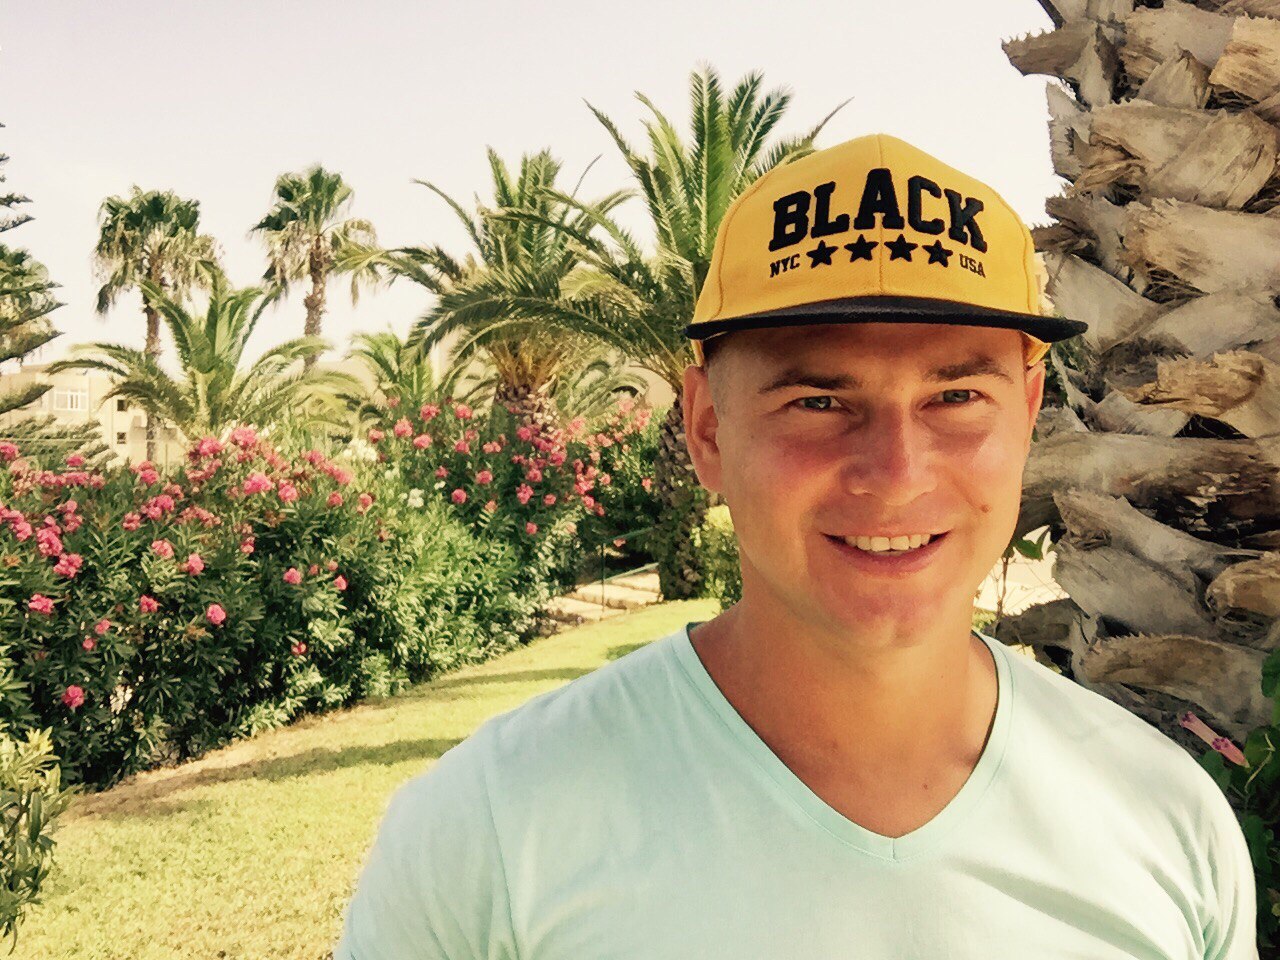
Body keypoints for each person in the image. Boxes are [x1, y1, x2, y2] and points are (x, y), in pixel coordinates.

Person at [332, 133, 1259, 959]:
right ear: (706, 429)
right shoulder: (491, 832)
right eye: (817, 401)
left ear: (1025, 413)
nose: (895, 474)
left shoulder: (1164, 819)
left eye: (955, 397)